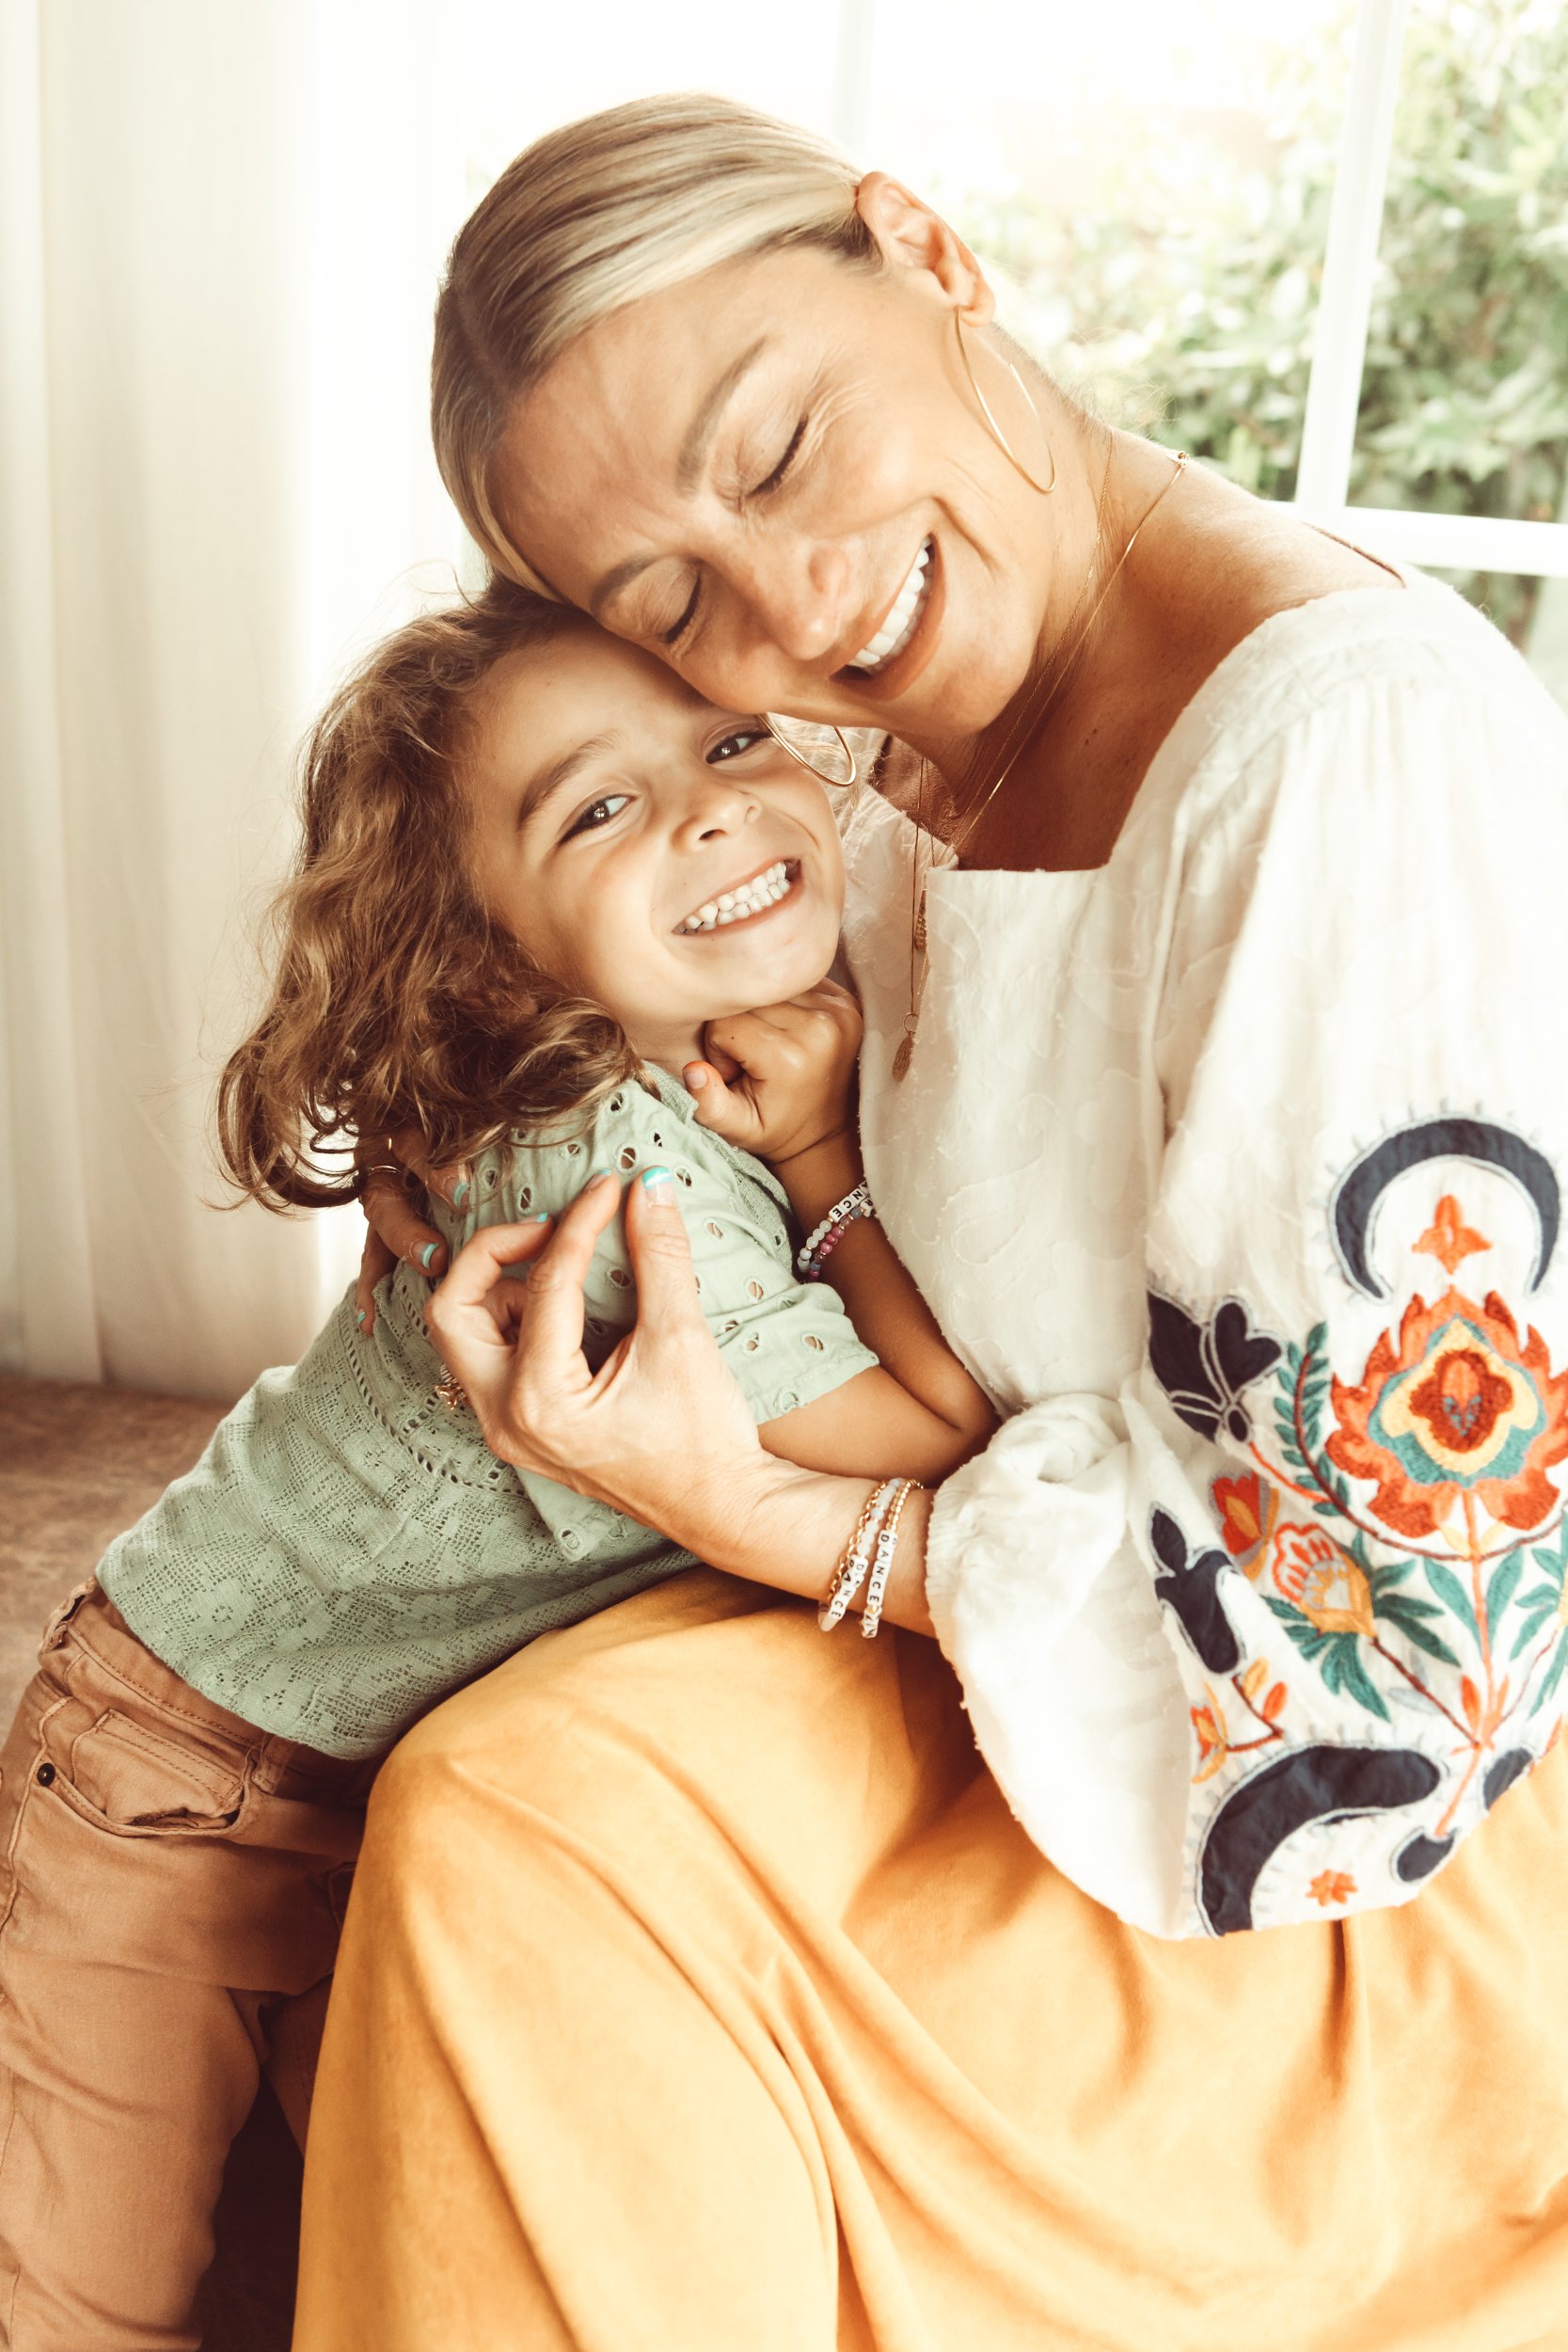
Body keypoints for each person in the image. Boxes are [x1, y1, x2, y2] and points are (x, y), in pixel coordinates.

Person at [294, 91, 1568, 2350]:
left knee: (524, 1835)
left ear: (924, 245)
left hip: (1306, 1844)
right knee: (406, 1746)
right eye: (669, 602)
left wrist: (769, 1510)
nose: (783, 614)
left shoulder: (1345, 752)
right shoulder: (866, 764)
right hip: (991, 1657)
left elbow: (1384, 1678)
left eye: (776, 451)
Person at [0, 582, 992, 2350]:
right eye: (597, 808)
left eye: (731, 740)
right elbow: (940, 1448)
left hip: (376, 1774)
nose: (708, 806)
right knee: (86, 2298)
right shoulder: (606, 1178)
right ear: (482, 954)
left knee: (317, 2270)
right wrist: (833, 1149)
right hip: (178, 1770)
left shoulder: (689, 1052)